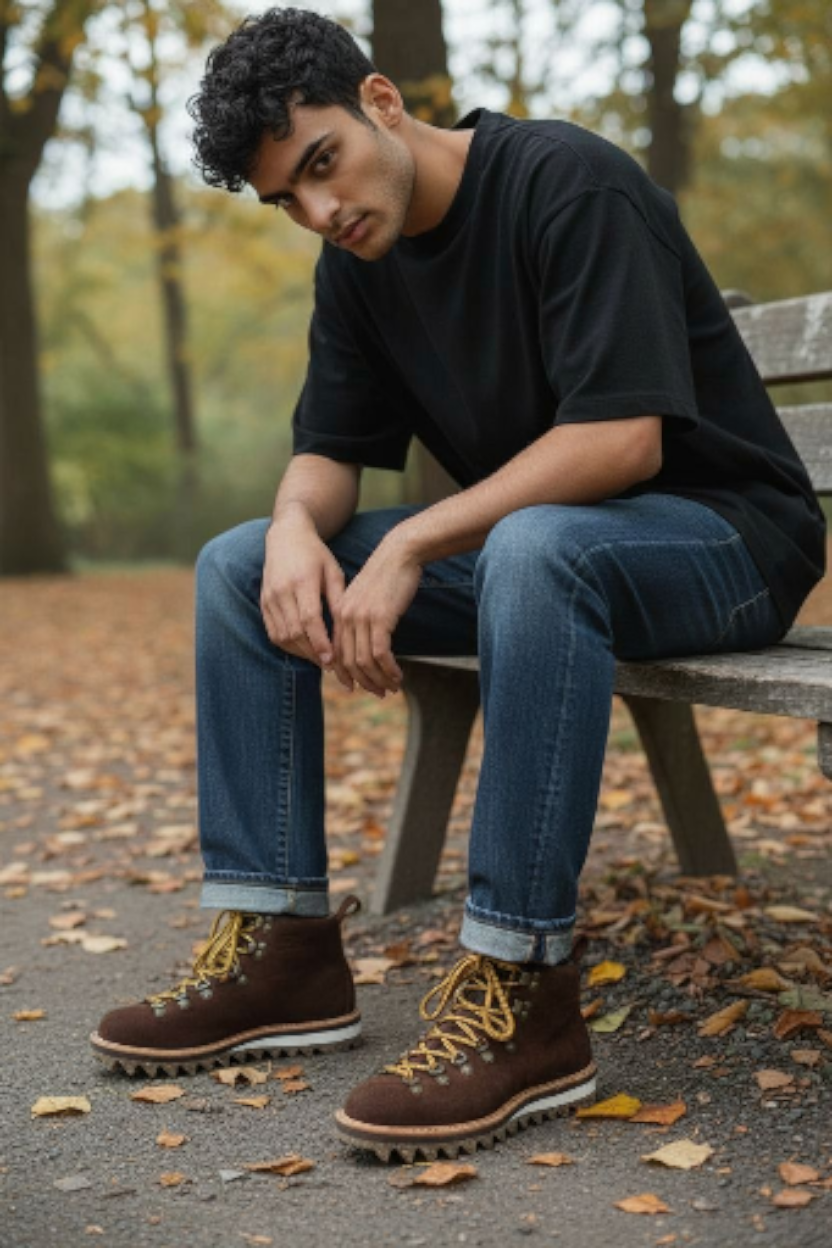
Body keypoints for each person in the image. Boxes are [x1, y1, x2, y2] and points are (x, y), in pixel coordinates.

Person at [91, 7, 826, 1162]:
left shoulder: (566, 183)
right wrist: (292, 528)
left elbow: (622, 439)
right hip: (551, 552)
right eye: (287, 200)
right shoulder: (358, 263)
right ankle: (283, 954)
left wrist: (412, 544)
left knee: (534, 547)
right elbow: (329, 450)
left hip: (727, 542)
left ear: (382, 101)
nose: (320, 211)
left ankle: (524, 992)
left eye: (322, 163)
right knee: (238, 566)